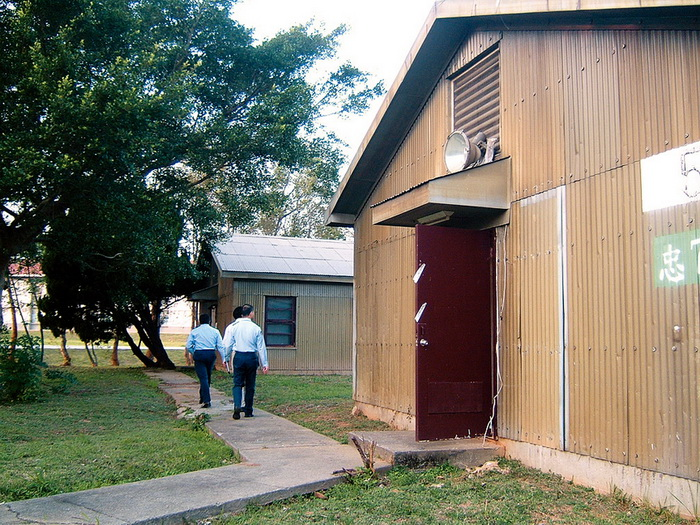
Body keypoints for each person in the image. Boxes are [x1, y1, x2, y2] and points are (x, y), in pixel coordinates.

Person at [222, 304, 269, 419]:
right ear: (251, 314)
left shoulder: (233, 327)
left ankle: (237, 405)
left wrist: (226, 358)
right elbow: (261, 347)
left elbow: (227, 345)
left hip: (238, 356)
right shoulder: (256, 328)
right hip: (251, 357)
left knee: (237, 383)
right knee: (250, 384)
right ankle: (248, 410)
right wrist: (265, 363)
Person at [185, 313, 225, 408]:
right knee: (208, 376)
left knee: (203, 378)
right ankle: (203, 396)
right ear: (209, 321)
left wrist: (194, 352)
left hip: (199, 354)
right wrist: (224, 359)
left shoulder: (195, 331)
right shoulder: (215, 331)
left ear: (199, 321)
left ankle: (206, 400)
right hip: (211, 354)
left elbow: (188, 345)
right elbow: (220, 346)